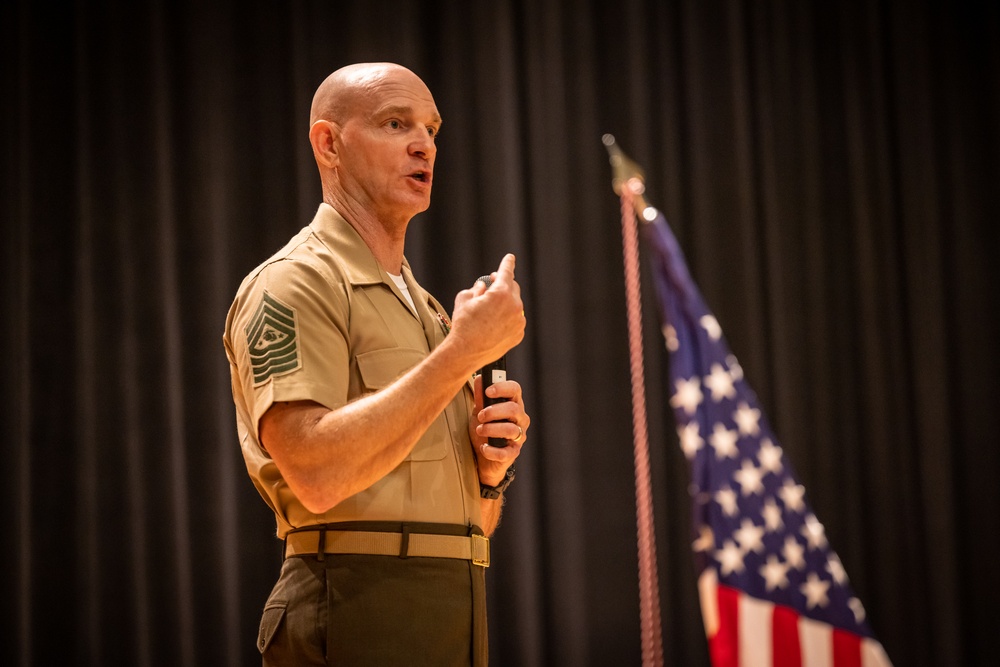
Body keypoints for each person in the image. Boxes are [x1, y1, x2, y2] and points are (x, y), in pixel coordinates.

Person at [222, 62, 529, 666]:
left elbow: (474, 528)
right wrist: (463, 353)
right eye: (396, 123)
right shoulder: (292, 284)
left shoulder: (429, 309)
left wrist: (490, 469)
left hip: (453, 604)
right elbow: (316, 474)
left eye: (431, 129)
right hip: (352, 600)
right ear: (328, 143)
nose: (425, 145)